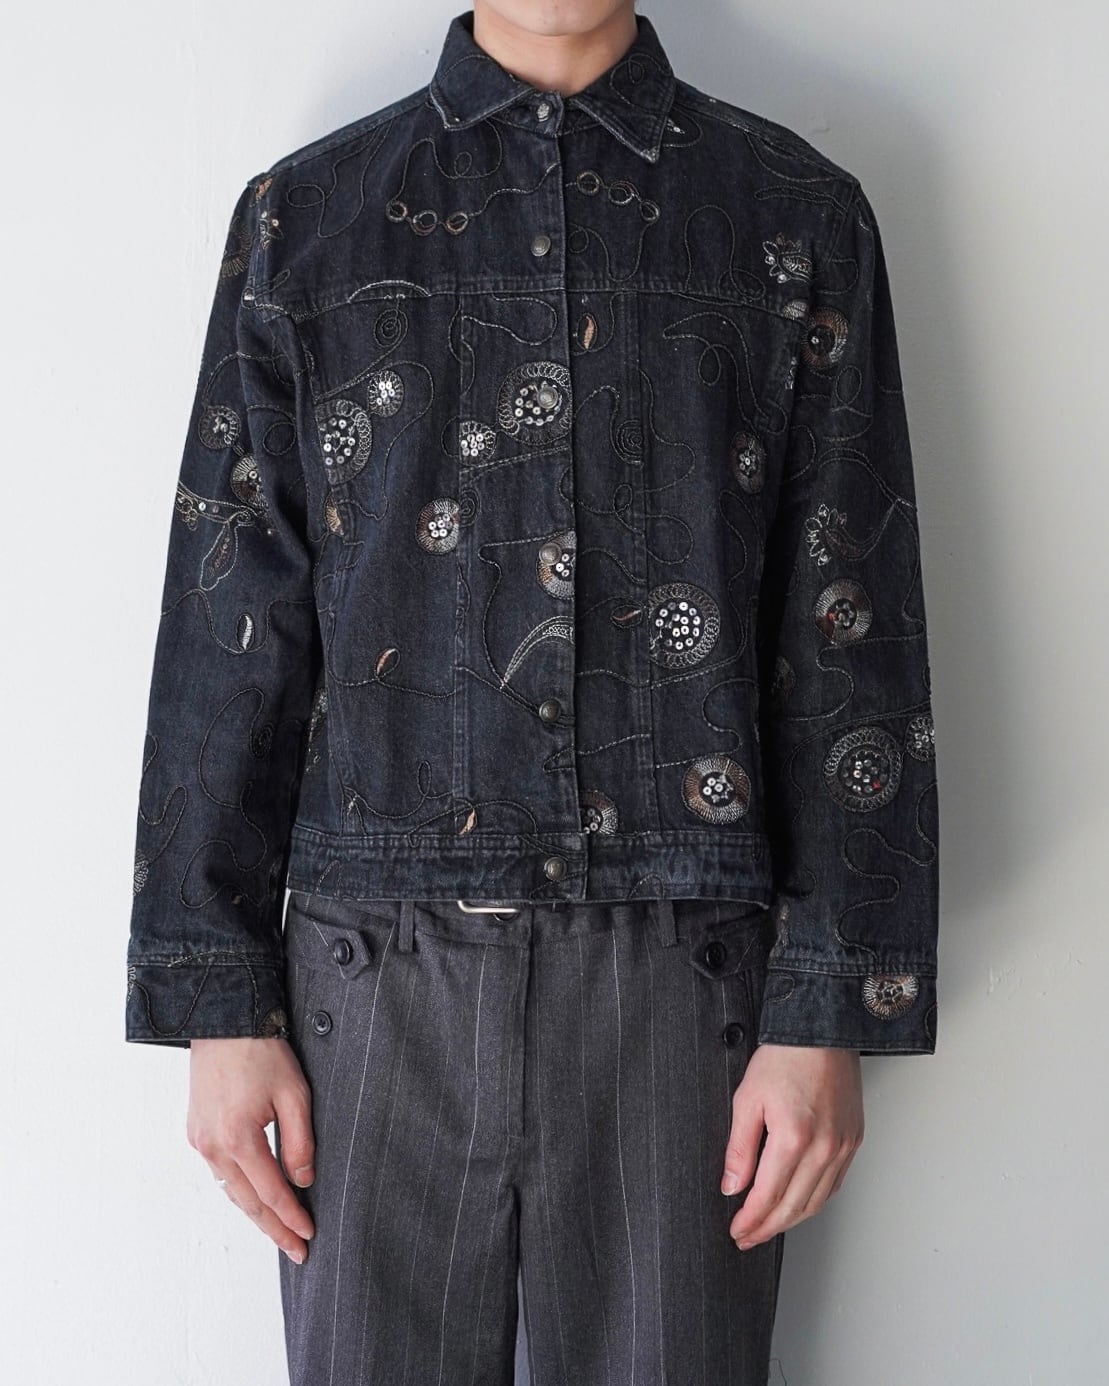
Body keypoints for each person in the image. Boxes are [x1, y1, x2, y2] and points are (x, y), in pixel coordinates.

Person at [125, 3, 940, 1382]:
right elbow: (230, 624)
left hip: (681, 984)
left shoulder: (793, 217)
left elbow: (847, 620)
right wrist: (218, 999)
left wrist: (828, 1005)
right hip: (371, 988)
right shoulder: (305, 222)